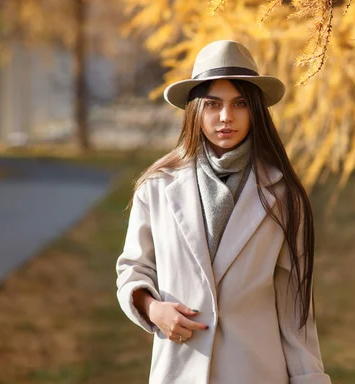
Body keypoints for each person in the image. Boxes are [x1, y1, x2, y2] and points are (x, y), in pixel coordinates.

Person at [115, 40, 331, 384]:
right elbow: (133, 269)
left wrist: (309, 378)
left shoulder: (284, 195)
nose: (226, 117)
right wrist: (154, 310)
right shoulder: (156, 186)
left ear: (256, 110)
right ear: (196, 110)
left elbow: (295, 308)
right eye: (213, 104)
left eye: (240, 104)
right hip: (179, 369)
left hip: (257, 371)